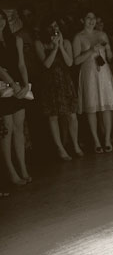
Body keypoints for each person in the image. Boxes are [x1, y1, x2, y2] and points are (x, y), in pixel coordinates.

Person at [35, 16, 82, 160]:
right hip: (49, 83)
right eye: (51, 26)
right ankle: (60, 148)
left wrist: (61, 46)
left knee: (72, 115)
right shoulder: (39, 43)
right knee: (53, 116)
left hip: (65, 81)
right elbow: (46, 64)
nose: (55, 29)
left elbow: (69, 63)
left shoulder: (66, 41)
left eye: (56, 26)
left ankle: (75, 144)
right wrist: (54, 48)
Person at [73, 11, 113, 153]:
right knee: (92, 107)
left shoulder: (102, 34)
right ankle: (96, 140)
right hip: (89, 73)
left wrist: (107, 49)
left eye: (93, 18)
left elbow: (110, 57)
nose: (91, 21)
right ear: (83, 20)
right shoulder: (78, 37)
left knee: (106, 106)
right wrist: (91, 50)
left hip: (103, 72)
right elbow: (76, 61)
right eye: (88, 18)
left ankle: (107, 138)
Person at [0, 10, 32, 185]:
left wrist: (26, 84)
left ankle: (23, 167)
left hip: (18, 85)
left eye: (2, 19)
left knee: (19, 127)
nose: (1, 22)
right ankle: (11, 171)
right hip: (3, 87)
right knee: (7, 129)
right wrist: (13, 84)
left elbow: (21, 64)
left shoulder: (16, 40)